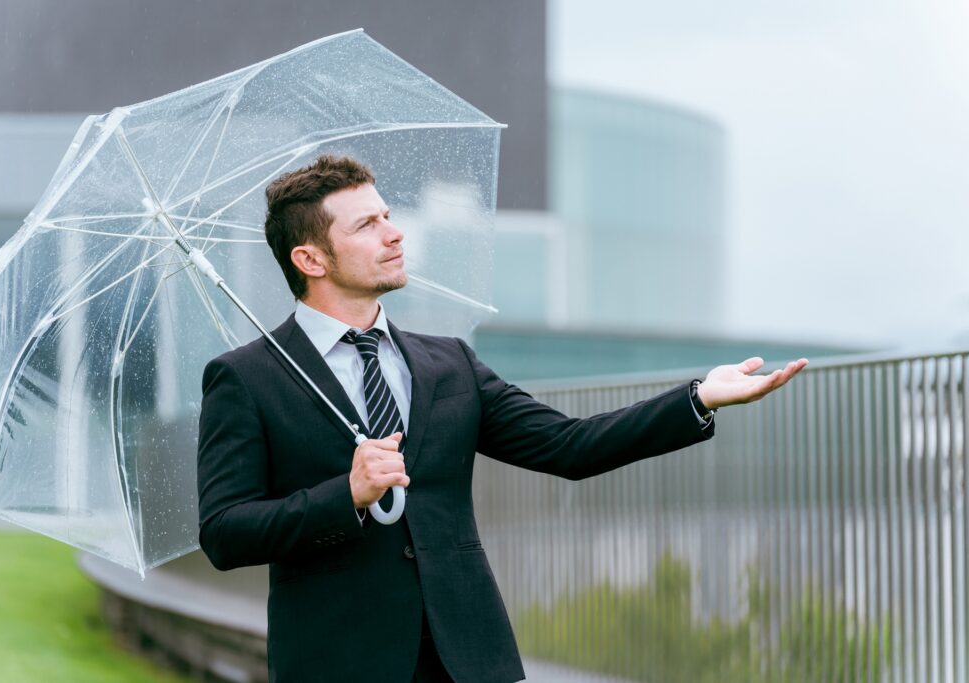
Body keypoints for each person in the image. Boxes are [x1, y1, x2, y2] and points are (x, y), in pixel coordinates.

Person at [196, 155, 807, 683]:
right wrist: (345, 495)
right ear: (311, 258)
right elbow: (225, 531)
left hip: (470, 657)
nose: (395, 234)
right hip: (336, 663)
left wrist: (697, 397)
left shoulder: (449, 363)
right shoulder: (247, 378)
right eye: (368, 225)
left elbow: (570, 446)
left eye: (387, 215)